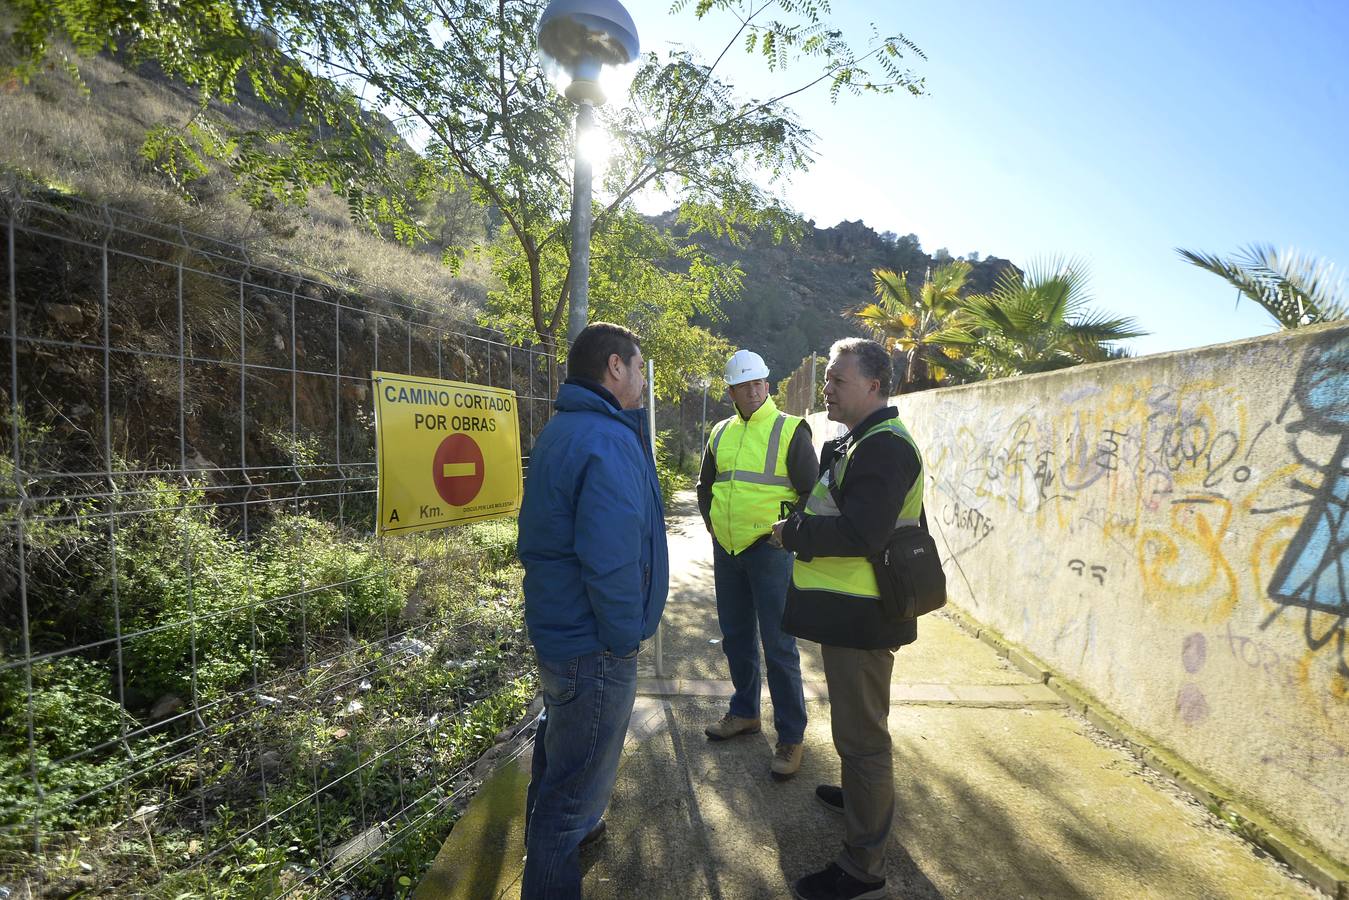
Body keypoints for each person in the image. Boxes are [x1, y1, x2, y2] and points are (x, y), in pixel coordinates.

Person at [516, 322, 669, 900]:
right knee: (572, 796)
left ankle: (558, 848)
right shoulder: (602, 438)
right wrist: (626, 636)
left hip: (567, 637)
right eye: (639, 365)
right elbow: (609, 558)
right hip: (595, 646)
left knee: (560, 764)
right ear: (614, 367)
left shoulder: (571, 427)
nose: (643, 378)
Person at [772, 338, 925, 900]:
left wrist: (794, 535)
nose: (828, 389)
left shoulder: (885, 447)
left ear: (875, 386)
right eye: (828, 378)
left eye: (838, 380)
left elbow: (863, 533)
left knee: (863, 741)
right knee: (855, 733)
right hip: (849, 614)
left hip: (865, 619)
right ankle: (862, 801)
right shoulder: (860, 440)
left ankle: (863, 867)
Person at [696, 349, 816, 779]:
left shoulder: (789, 430)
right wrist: (712, 523)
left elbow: (811, 494)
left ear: (768, 384)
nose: (753, 390)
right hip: (727, 551)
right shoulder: (720, 432)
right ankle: (744, 712)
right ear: (731, 391)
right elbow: (705, 485)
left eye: (759, 383)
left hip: (769, 551)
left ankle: (791, 736)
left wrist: (788, 531)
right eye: (744, 385)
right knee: (735, 637)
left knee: (779, 646)